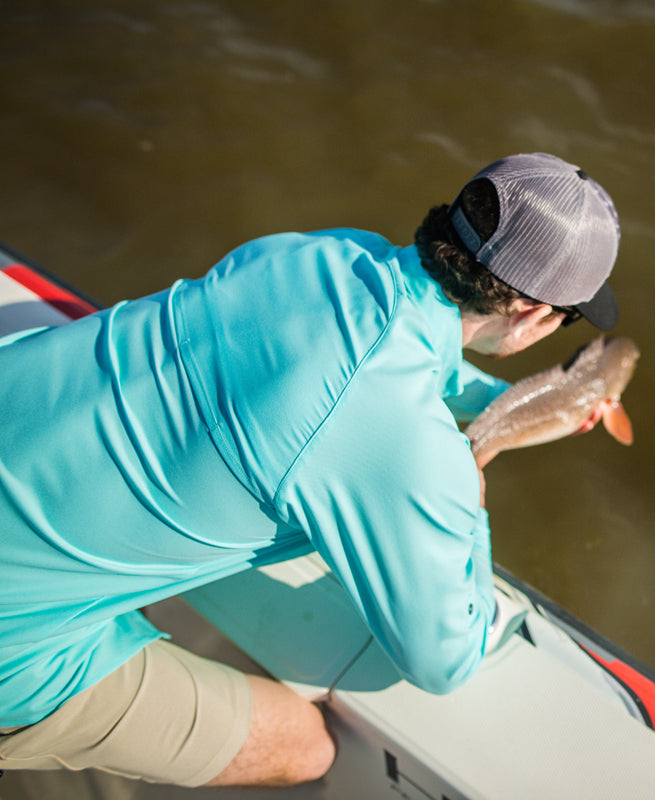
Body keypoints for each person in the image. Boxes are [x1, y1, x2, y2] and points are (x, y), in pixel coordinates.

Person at [0, 153, 620, 788]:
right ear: (533, 313)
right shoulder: (418, 456)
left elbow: (384, 361)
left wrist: (514, 405)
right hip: (10, 637)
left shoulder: (325, 253)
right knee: (303, 747)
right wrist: (473, 502)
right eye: (568, 317)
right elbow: (443, 659)